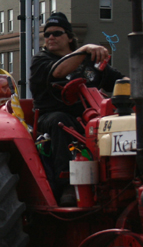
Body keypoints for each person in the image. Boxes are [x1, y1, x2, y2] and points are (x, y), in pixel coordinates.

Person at [28, 12, 122, 205]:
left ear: (70, 37)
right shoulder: (41, 60)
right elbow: (59, 71)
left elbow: (118, 82)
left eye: (56, 33)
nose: (50, 37)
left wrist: (129, 86)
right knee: (60, 121)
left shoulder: (89, 62)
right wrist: (86, 49)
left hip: (89, 119)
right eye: (47, 35)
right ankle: (67, 185)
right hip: (50, 120)